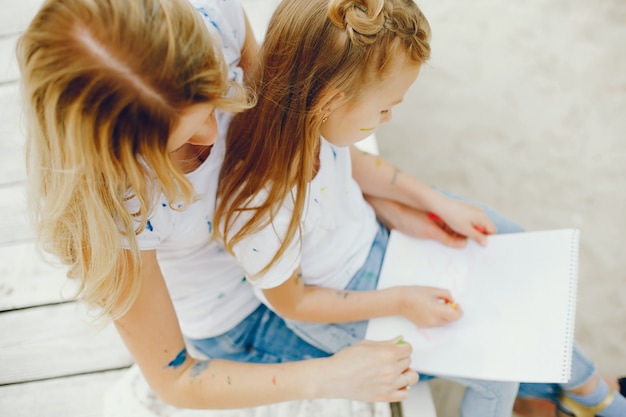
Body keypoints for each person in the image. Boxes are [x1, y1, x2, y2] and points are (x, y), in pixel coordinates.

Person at [213, 0, 626, 416]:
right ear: (330, 103)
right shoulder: (263, 208)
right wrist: (400, 300)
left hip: (377, 246)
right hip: (344, 305)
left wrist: (437, 203)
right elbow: (294, 303)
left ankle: (584, 389)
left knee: (504, 242)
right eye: (385, 107)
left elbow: (356, 165)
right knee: (496, 367)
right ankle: (591, 395)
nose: (389, 118)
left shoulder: (311, 125)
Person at [17, 0, 418, 409]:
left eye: (217, 100)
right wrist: (329, 377)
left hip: (305, 246)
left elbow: (294, 133)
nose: (214, 136)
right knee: (420, 355)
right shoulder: (113, 210)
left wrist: (394, 197)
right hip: (238, 318)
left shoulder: (215, 18)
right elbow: (176, 378)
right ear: (116, 153)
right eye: (182, 138)